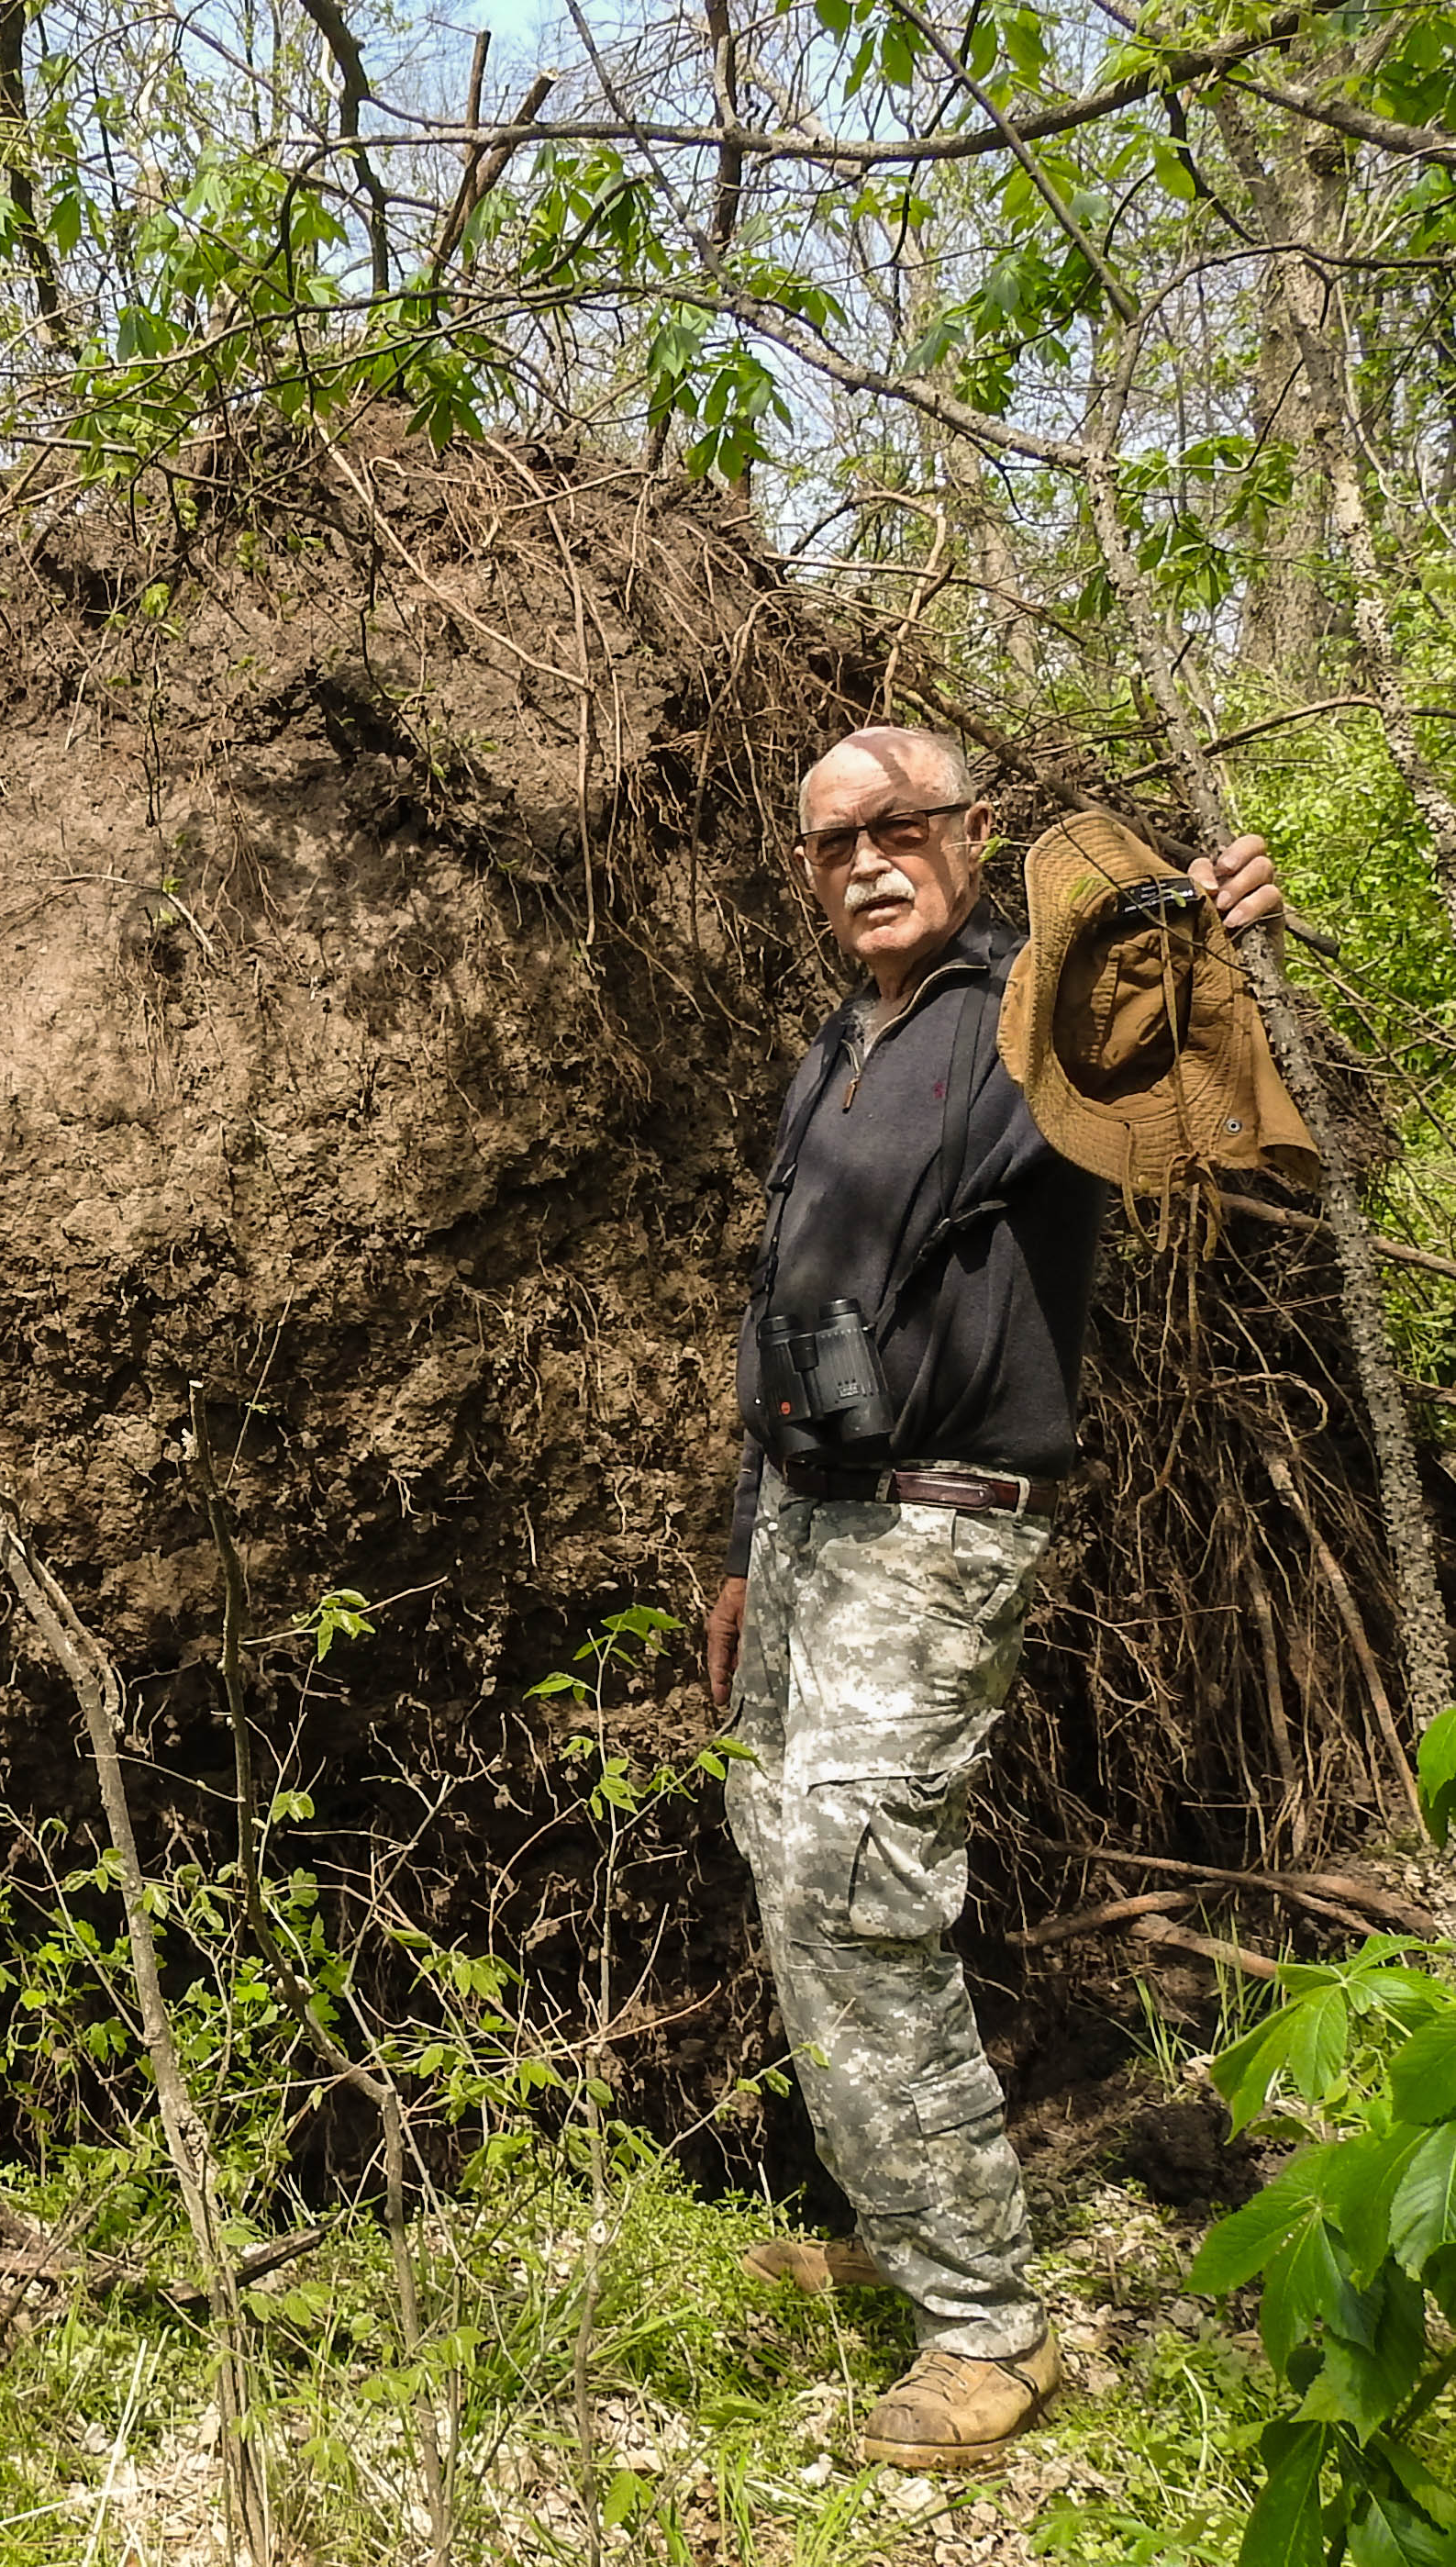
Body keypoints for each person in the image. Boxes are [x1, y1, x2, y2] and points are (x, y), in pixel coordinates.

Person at [702, 726, 1284, 2471]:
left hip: (940, 1521)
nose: (867, 859)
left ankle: (987, 2325)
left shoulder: (1029, 1014)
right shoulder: (836, 1051)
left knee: (860, 1888)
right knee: (792, 1875)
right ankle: (901, 2229)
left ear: (966, 836)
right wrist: (742, 1546)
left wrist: (1215, 930)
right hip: (810, 1518)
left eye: (899, 825)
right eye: (829, 843)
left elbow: (1146, 1012)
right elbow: (781, 1309)